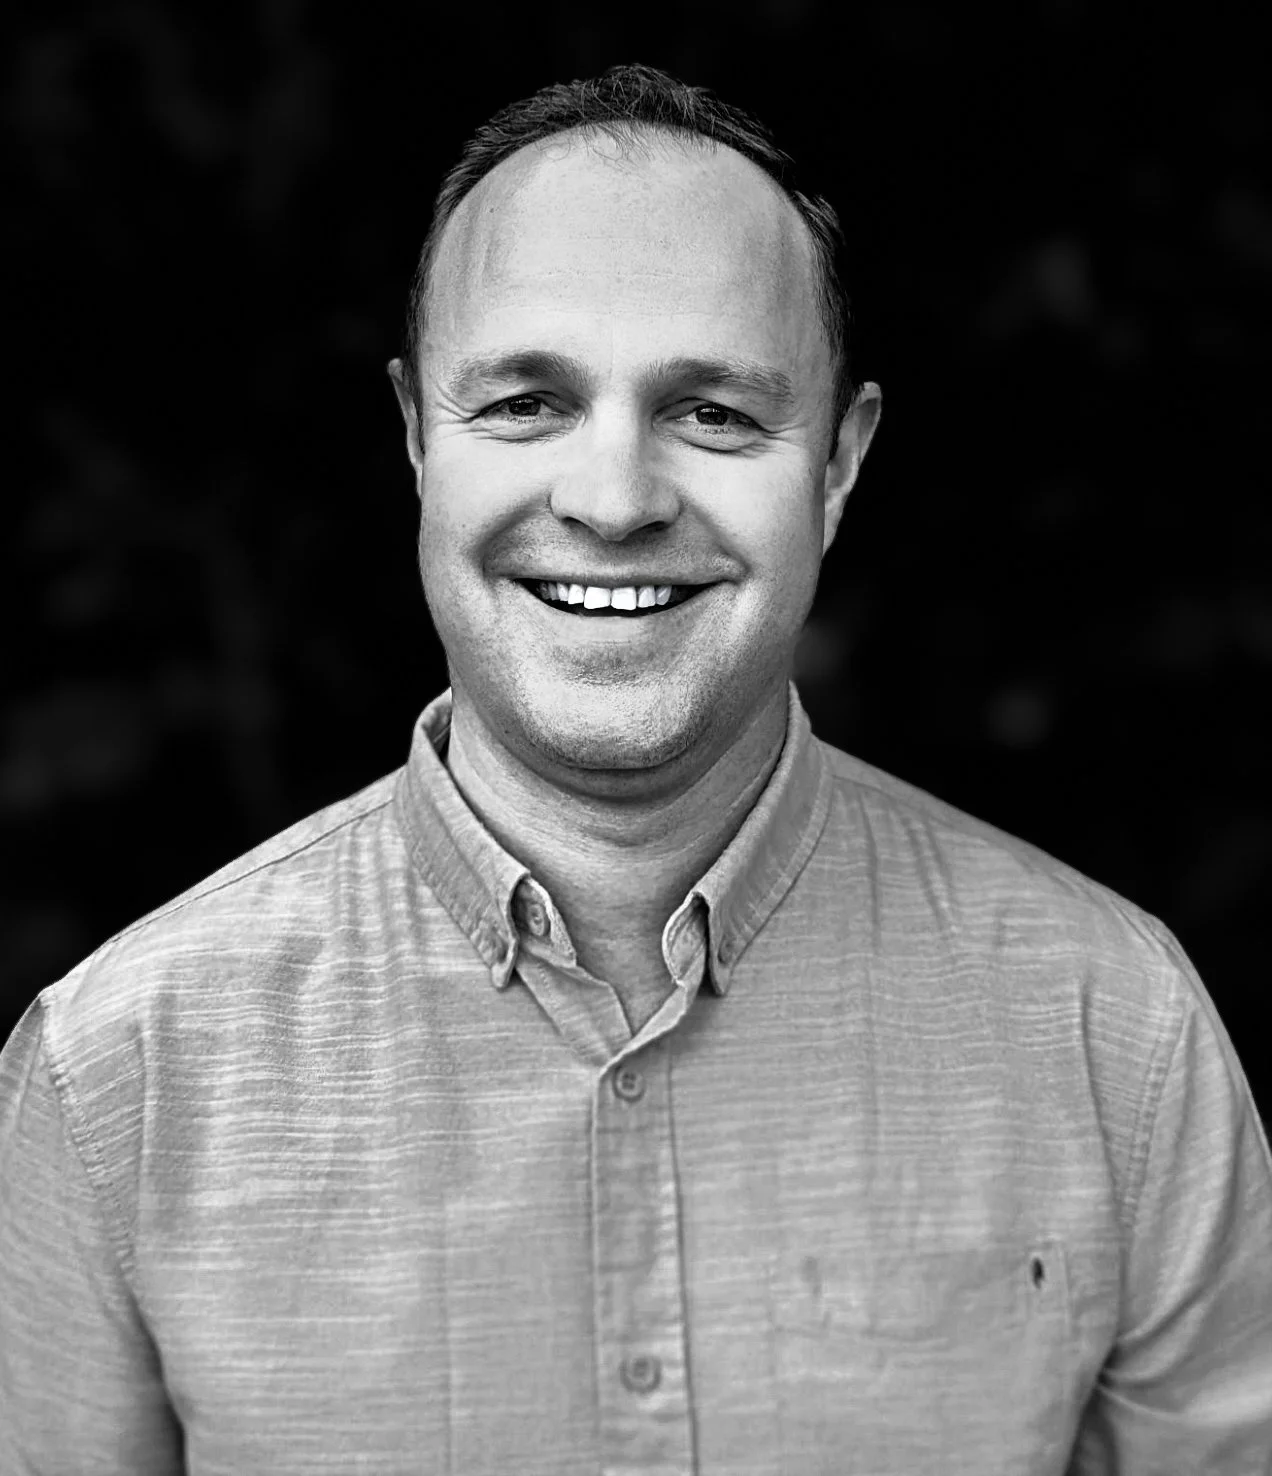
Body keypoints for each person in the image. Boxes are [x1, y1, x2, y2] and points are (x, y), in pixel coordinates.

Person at [1, 61, 1269, 1475]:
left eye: (713, 412)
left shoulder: (1116, 1034)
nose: (612, 500)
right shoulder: (117, 1077)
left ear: (839, 465)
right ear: (419, 434)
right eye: (528, 402)